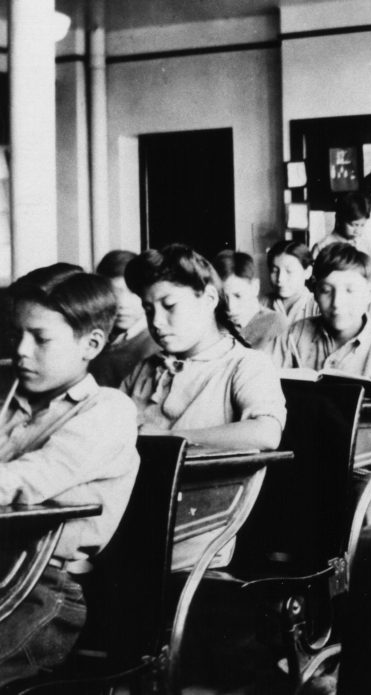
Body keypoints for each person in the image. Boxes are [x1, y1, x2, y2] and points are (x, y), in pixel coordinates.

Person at [0, 265, 139, 683]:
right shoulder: (11, 399)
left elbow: (29, 479)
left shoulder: (108, 411)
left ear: (91, 344)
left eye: (40, 339)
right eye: (16, 334)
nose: (21, 350)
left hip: (43, 591)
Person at [121, 245, 286, 570]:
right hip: (133, 507)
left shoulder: (245, 364)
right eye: (148, 308)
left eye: (170, 306)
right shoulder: (148, 367)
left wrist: (168, 438)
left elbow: (266, 432)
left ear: (209, 299)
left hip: (196, 524)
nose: (157, 321)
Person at [270, 242, 371, 400]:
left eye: (350, 290)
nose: (337, 302)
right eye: (326, 291)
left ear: (370, 292)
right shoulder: (294, 335)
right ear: (315, 293)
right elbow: (265, 392)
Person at [89, 250, 160, 388]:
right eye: (114, 293)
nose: (122, 303)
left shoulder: (154, 344)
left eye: (133, 292)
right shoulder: (99, 337)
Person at [212, 250, 288, 353]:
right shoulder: (215, 323)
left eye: (238, 296)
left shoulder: (276, 324)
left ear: (255, 287)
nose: (230, 307)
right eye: (223, 297)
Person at [267, 240, 319, 324]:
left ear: (307, 272)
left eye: (289, 271)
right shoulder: (261, 305)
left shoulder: (317, 308)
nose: (280, 279)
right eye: (275, 271)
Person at [313, 192, 371, 257]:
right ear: (339, 219)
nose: (358, 231)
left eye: (362, 225)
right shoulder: (322, 247)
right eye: (353, 225)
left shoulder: (364, 245)